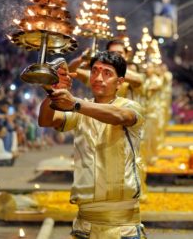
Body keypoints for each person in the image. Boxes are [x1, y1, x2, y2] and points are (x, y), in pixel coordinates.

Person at [38, 51, 146, 239]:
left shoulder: (130, 106)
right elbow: (46, 120)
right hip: (84, 223)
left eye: (107, 73)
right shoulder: (80, 109)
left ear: (119, 82)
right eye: (94, 71)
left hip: (123, 226)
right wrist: (52, 93)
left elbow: (120, 116)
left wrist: (74, 104)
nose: (98, 77)